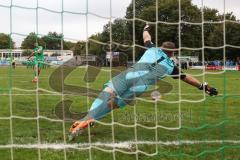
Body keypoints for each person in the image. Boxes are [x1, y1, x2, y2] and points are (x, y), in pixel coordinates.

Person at [69, 25, 218, 139]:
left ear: (161, 48)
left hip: (128, 76)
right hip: (139, 87)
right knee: (112, 105)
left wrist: (146, 27)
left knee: (105, 94)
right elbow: (187, 78)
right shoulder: (171, 67)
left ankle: (85, 119)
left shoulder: (152, 49)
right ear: (173, 53)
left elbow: (146, 36)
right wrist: (203, 86)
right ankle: (90, 120)